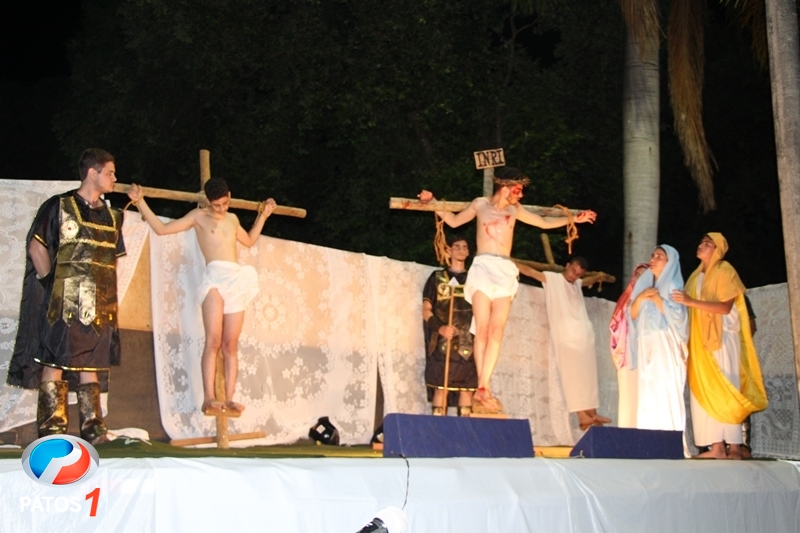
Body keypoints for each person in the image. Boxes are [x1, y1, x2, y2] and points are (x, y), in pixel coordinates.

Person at [418, 167, 597, 413]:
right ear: (505, 188)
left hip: (504, 269)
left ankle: (483, 385)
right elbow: (453, 220)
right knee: (481, 329)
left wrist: (573, 219)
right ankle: (483, 384)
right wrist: (433, 202)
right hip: (482, 267)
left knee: (496, 331)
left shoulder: (515, 210)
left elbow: (543, 222)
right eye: (517, 190)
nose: (520, 195)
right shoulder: (480, 205)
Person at [127, 178, 275, 417]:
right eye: (216, 205)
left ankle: (230, 398)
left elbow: (249, 241)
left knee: (230, 344)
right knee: (213, 341)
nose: (221, 209)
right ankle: (209, 397)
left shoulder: (232, 218)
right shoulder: (198, 217)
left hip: (236, 278)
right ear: (207, 201)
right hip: (214, 278)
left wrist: (263, 216)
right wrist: (140, 202)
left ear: (229, 196)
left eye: (225, 203)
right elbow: (162, 229)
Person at [6, 148, 125, 444]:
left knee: (91, 364)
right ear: (93, 173)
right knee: (55, 361)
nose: (114, 178)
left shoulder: (112, 216)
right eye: (110, 172)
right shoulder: (59, 206)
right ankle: (52, 431)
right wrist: (51, 287)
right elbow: (36, 247)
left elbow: (112, 260)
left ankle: (93, 429)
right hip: (65, 301)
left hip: (100, 305)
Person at [671, 233, 768, 459]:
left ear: (718, 250)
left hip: (723, 339)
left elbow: (725, 308)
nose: (701, 245)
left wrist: (690, 301)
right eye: (701, 242)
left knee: (726, 388)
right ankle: (716, 447)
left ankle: (734, 446)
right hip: (700, 342)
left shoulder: (725, 270)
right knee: (704, 391)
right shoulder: (694, 277)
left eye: (708, 243)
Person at [515, 257, 610, 430]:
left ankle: (592, 412)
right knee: (572, 375)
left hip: (583, 336)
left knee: (588, 376)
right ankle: (581, 416)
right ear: (567, 265)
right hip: (565, 337)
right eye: (573, 271)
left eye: (578, 274)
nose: (574, 276)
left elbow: (588, 281)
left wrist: (599, 277)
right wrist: (510, 262)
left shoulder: (577, 283)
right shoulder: (553, 279)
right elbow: (531, 272)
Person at [627, 245, 688, 432]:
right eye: (652, 256)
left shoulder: (673, 284)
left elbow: (679, 316)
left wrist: (656, 298)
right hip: (646, 342)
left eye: (659, 257)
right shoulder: (644, 282)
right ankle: (649, 437)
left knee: (665, 386)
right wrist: (640, 298)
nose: (653, 259)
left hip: (665, 342)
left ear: (669, 262)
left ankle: (669, 437)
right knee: (648, 387)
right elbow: (632, 315)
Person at [422, 237, 476, 416]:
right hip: (442, 343)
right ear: (449, 251)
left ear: (468, 252)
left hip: (468, 343)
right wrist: (441, 328)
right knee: (441, 388)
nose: (461, 250)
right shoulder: (437, 278)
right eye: (457, 247)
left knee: (467, 390)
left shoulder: (474, 279)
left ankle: (464, 430)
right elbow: (426, 310)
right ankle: (438, 429)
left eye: (464, 247)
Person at [608, 262, 649, 428]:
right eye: (637, 275)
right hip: (627, 354)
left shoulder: (655, 296)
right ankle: (628, 437)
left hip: (648, 357)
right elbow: (614, 326)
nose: (639, 279)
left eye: (644, 275)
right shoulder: (626, 298)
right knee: (628, 399)